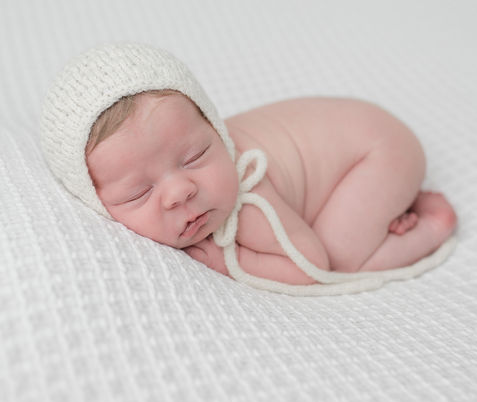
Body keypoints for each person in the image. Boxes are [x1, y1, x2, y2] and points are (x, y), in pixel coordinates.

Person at [40, 42, 457, 296]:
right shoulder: (180, 148)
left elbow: (309, 266)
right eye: (138, 193)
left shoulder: (249, 199)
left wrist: (232, 262)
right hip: (352, 134)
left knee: (338, 254)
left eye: (195, 157)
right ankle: (383, 208)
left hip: (377, 151)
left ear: (215, 129)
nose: (180, 191)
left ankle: (430, 227)